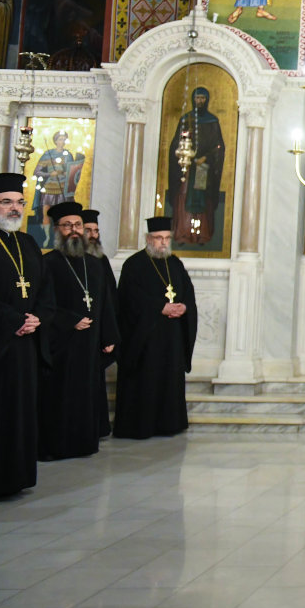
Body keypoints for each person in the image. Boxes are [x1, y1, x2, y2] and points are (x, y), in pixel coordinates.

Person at [0, 173, 50, 501]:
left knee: (19, 410)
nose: (15, 209)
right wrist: (12, 321)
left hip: (25, 343)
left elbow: (45, 290)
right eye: (6, 202)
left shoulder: (28, 243)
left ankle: (15, 476)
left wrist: (37, 317)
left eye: (20, 202)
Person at [38, 203, 117, 460]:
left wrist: (108, 335)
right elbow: (43, 303)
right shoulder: (48, 263)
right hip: (62, 344)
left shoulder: (94, 264)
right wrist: (70, 321)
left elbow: (105, 301)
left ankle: (84, 443)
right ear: (57, 229)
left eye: (78, 225)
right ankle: (57, 446)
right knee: (60, 394)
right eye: (67, 225)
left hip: (89, 342)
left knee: (86, 392)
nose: (74, 230)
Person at [114, 218, 197, 439]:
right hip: (146, 338)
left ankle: (170, 424)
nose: (163, 243)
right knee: (146, 380)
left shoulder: (175, 263)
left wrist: (184, 307)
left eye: (167, 238)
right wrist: (160, 307)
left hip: (172, 336)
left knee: (170, 377)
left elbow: (188, 292)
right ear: (148, 239)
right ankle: (142, 426)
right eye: (159, 238)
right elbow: (129, 299)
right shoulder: (134, 265)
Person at [167, 86, 226, 245]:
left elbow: (218, 146)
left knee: (202, 200)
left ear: (207, 100)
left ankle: (202, 235)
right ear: (193, 99)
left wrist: (205, 157)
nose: (200, 101)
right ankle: (183, 233)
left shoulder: (212, 121)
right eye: (197, 98)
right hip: (186, 167)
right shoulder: (186, 119)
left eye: (202, 98)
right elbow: (176, 143)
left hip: (203, 168)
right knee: (184, 197)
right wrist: (183, 154)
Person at [81, 208, 117, 437]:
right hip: (76, 331)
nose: (93, 235)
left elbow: (110, 298)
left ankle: (97, 426)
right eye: (88, 230)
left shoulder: (101, 260)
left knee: (95, 380)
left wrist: (109, 334)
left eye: (96, 231)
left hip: (97, 331)